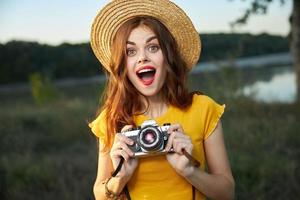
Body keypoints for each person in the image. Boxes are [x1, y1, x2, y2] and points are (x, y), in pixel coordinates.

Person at [89, 0, 235, 199]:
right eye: (130, 51)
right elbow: (99, 194)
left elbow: (227, 193)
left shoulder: (203, 109)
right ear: (123, 65)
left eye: (153, 47)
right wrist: (119, 178)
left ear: (168, 56)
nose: (142, 58)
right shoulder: (111, 119)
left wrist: (190, 171)